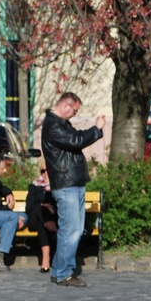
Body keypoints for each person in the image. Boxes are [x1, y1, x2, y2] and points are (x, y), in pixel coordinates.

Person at [42, 91, 106, 287]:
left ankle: (58, 270)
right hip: (66, 184)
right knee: (71, 230)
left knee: (72, 230)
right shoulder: (54, 125)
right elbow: (77, 140)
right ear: (66, 106)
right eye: (74, 111)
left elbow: (75, 138)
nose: (74, 115)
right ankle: (64, 273)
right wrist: (96, 129)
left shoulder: (59, 124)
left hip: (71, 182)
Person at [26, 160, 57, 273]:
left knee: (42, 223)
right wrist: (42, 205)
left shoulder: (57, 187)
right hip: (34, 218)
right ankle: (53, 230)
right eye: (43, 171)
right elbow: (29, 207)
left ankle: (45, 260)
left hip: (51, 217)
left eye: (48, 170)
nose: (46, 173)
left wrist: (51, 208)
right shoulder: (34, 187)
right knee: (41, 209)